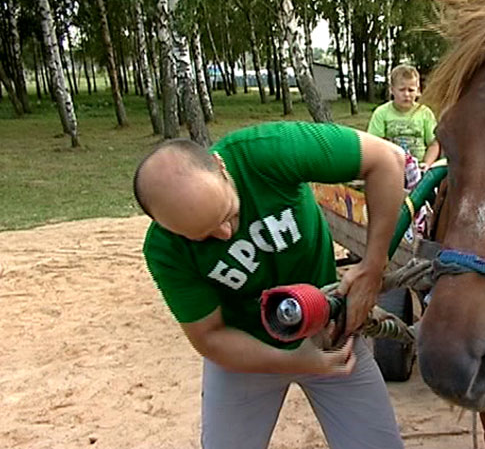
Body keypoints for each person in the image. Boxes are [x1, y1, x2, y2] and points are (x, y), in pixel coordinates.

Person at [133, 121, 406, 449]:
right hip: (247, 354)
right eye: (202, 235)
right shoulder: (164, 250)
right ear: (163, 225)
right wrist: (296, 362)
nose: (225, 233)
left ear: (221, 166)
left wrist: (373, 267)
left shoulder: (265, 152)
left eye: (228, 213)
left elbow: (387, 160)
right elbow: (210, 337)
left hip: (332, 334)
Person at [367, 65, 440, 178]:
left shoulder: (425, 113)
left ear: (418, 91)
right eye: (402, 90)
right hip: (390, 168)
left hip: (419, 170)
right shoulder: (381, 113)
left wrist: (427, 164)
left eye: (411, 90)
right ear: (392, 90)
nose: (406, 94)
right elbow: (373, 143)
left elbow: (433, 144)